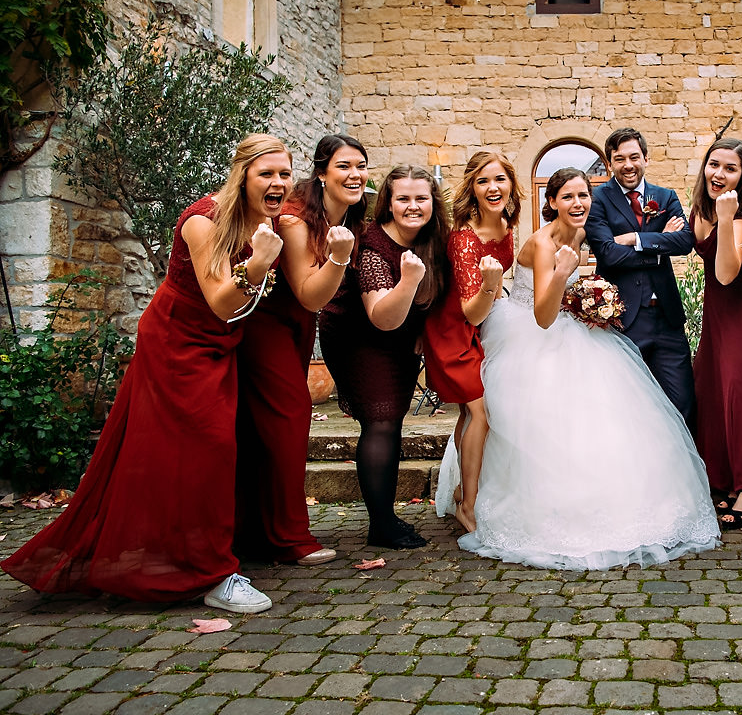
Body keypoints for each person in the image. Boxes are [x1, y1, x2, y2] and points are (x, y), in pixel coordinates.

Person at [1, 134, 292, 613]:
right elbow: (221, 302)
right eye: (267, 173)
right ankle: (213, 575)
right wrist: (259, 264)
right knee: (209, 448)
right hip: (177, 343)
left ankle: (187, 555)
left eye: (284, 173)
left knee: (190, 453)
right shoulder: (204, 222)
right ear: (242, 175)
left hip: (221, 346)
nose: (278, 182)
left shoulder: (266, 222)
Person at [459, 167, 720, 570]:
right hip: (530, 330)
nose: (578, 204)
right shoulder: (543, 244)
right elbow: (542, 316)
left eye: (584, 195)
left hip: (569, 323)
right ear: (551, 203)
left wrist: (588, 296)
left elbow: (607, 262)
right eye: (568, 197)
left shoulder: (580, 233)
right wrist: (564, 274)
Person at [235, 135, 369, 567]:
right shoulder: (294, 220)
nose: (355, 175)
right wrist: (340, 258)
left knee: (268, 428)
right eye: (344, 166)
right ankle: (289, 536)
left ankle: (254, 530)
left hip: (294, 330)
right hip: (265, 327)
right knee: (290, 417)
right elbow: (311, 294)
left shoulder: (348, 215)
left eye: (361, 166)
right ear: (322, 172)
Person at [319, 164, 449, 550]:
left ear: (432, 202)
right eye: (403, 198)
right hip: (359, 337)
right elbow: (381, 316)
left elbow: (433, 297)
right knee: (381, 422)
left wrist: (425, 331)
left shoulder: (431, 240)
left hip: (400, 338)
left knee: (392, 421)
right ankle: (381, 524)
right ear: (388, 204)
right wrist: (408, 280)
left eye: (421, 198)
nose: (413, 206)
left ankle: (386, 515)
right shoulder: (373, 246)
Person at [427, 151, 522, 535]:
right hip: (453, 330)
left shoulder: (505, 227)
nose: (492, 187)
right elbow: (470, 310)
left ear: (511, 184)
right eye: (483, 181)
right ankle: (468, 505)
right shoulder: (465, 239)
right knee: (480, 413)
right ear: (472, 188)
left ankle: (458, 491)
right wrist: (490, 286)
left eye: (499, 179)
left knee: (469, 414)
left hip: (482, 329)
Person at [690, 138, 742, 531]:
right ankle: (724, 479)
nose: (719, 174)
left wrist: (726, 219)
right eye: (714, 165)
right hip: (717, 316)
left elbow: (726, 272)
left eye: (730, 169)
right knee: (711, 390)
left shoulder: (740, 217)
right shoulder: (700, 209)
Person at [585, 127, 696, 419]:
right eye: (619, 159)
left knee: (682, 403)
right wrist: (659, 248)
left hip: (668, 320)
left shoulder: (666, 196)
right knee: (628, 408)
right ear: (609, 163)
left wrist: (635, 240)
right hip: (625, 318)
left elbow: (685, 242)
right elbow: (607, 253)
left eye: (634, 157)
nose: (628, 165)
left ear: (646, 158)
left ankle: (680, 465)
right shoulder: (597, 200)